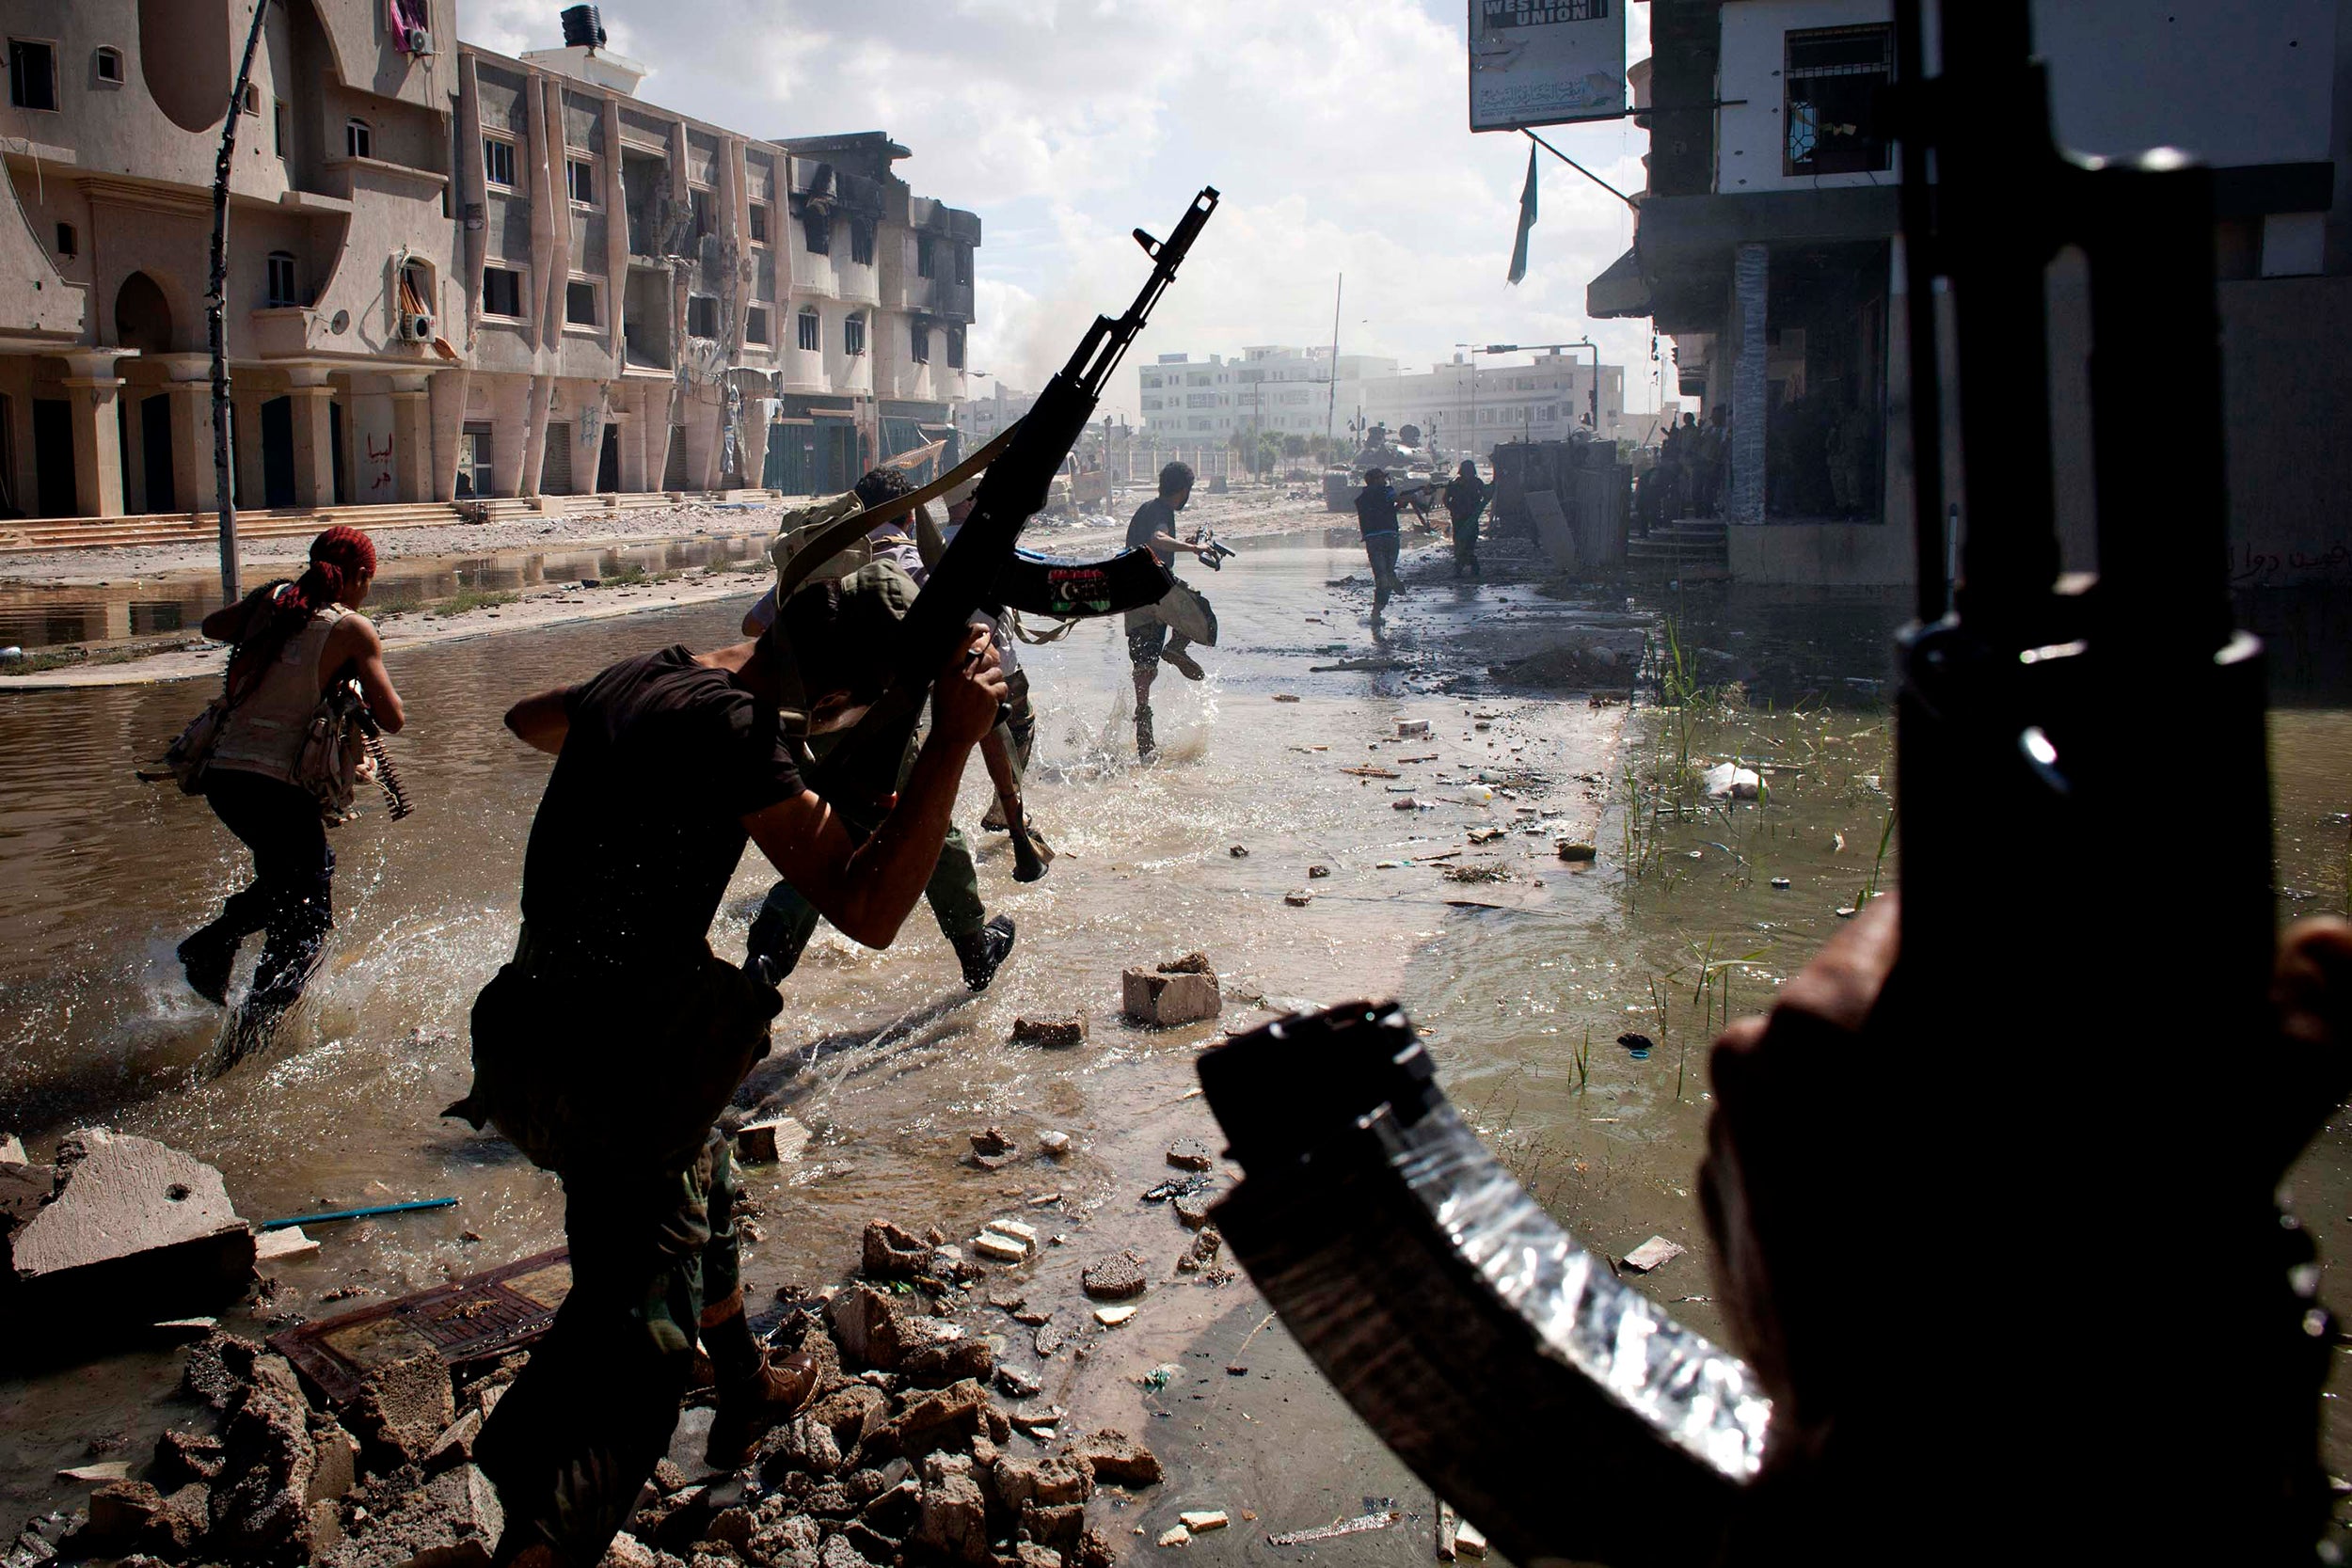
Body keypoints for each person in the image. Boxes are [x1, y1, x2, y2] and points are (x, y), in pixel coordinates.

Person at [453, 574, 1009, 1568]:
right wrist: (956, 738)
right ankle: (535, 1542)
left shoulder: (652, 676)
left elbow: (528, 717)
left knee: (704, 1164)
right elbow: (874, 909)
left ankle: (745, 1379)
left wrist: (651, 748)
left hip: (523, 1038)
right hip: (611, 1077)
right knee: (634, 1368)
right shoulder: (744, 731)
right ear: (839, 704)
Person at [739, 467, 1020, 982]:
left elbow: (754, 626)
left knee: (830, 828)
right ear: (911, 514)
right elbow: (963, 649)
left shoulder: (823, 553)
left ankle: (766, 955)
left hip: (807, 719)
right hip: (873, 719)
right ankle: (974, 948)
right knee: (931, 824)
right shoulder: (906, 561)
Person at [177, 526, 404, 1039]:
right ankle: (252, 1024)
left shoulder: (271, 602)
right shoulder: (352, 628)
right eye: (368, 582)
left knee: (290, 894)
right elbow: (393, 719)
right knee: (310, 914)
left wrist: (272, 603)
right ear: (361, 578)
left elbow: (215, 626)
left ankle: (236, 987)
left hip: (225, 779)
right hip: (277, 786)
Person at [1124, 461, 1206, 761]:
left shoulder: (1147, 509)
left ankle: (1143, 726)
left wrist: (1181, 545)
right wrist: (1194, 550)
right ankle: (1175, 649)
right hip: (1155, 590)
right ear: (1184, 491)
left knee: (1143, 664)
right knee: (1199, 612)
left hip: (1132, 595)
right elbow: (1157, 540)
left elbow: (1158, 543)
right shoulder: (1162, 512)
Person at [1354, 466, 1406, 621]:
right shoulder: (1387, 491)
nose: (1385, 480)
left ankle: (1376, 613)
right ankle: (1390, 578)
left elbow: (1378, 511)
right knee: (1387, 573)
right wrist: (1414, 497)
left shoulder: (1361, 499)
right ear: (1377, 480)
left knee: (1380, 577)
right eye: (1382, 477)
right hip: (1390, 536)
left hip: (1372, 539)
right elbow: (1396, 501)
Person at [1442, 459, 1488, 579]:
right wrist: (1453, 509)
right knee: (1461, 543)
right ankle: (1464, 566)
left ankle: (1467, 566)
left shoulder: (1476, 483)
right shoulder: (1455, 483)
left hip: (1470, 518)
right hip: (1460, 518)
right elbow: (1446, 499)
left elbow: (1485, 496)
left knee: (1468, 543)